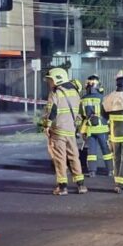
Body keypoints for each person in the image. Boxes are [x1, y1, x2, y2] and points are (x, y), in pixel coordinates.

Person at [41, 67, 87, 196]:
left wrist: (46, 126)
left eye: (50, 80)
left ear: (57, 79)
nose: (49, 83)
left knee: (60, 158)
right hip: (71, 130)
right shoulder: (75, 92)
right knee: (74, 157)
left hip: (58, 131)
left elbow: (51, 112)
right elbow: (79, 113)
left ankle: (62, 187)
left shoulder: (55, 93)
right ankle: (81, 185)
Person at [79, 74, 113, 180]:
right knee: (106, 151)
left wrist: (81, 130)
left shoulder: (83, 99)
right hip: (102, 129)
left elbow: (82, 115)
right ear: (97, 85)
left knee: (91, 152)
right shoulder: (103, 98)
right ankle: (110, 170)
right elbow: (108, 113)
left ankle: (92, 171)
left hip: (89, 130)